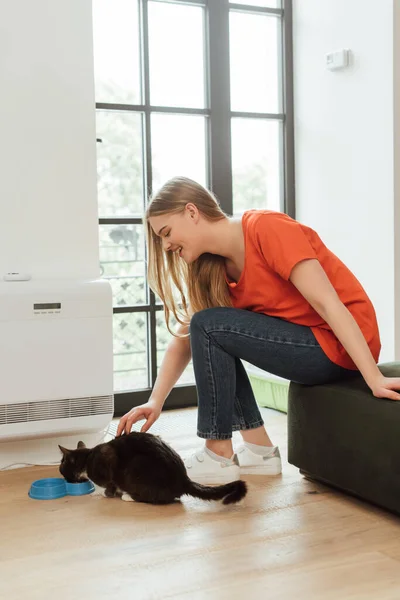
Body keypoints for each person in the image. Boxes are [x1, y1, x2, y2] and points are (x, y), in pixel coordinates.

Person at [117, 176, 400, 484]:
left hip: (340, 343)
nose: (167, 245)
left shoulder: (266, 228)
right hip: (310, 345)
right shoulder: (213, 269)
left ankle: (218, 453)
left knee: (210, 326)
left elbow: (327, 302)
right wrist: (155, 401)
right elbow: (186, 339)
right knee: (211, 331)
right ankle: (259, 452)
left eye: (167, 232)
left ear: (192, 212)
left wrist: (373, 376)